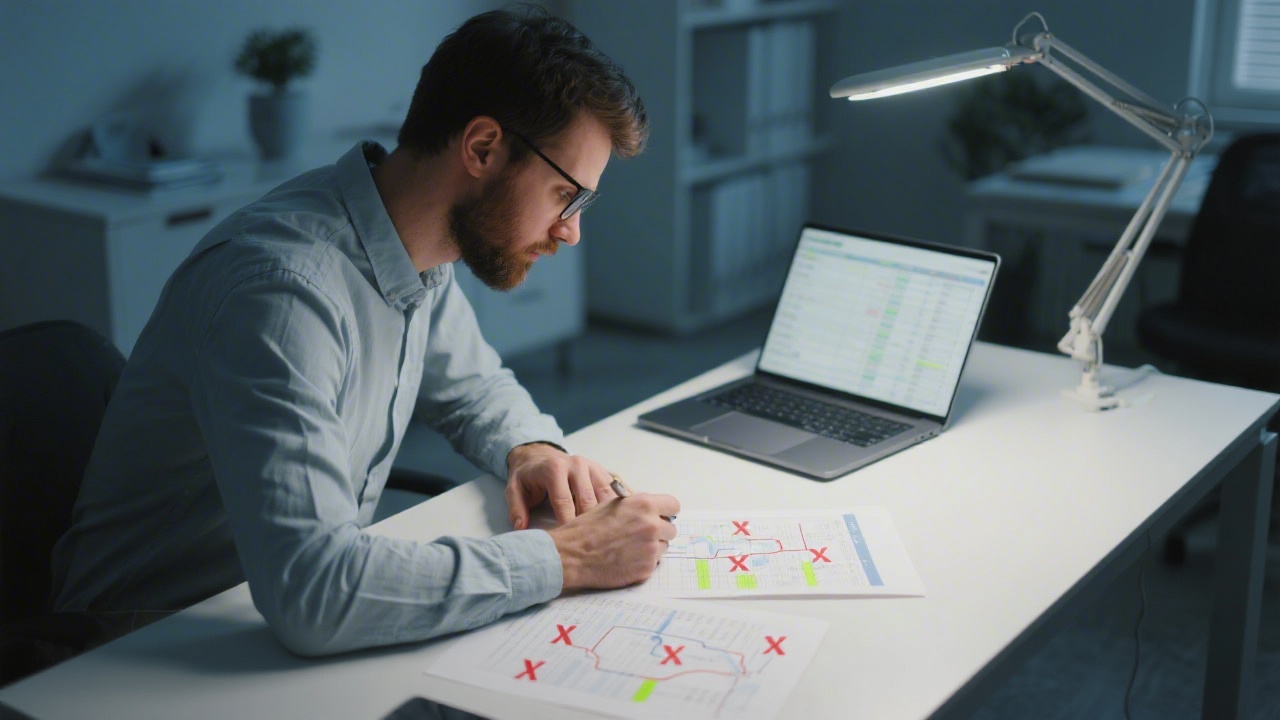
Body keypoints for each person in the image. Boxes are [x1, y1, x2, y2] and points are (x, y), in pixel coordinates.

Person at [51, 6, 680, 657]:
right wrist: (564, 558)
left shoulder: (413, 240)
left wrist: (532, 450)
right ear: (483, 148)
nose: (571, 230)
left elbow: (472, 387)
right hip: (138, 647)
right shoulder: (281, 290)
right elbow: (315, 593)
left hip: (265, 620)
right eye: (564, 194)